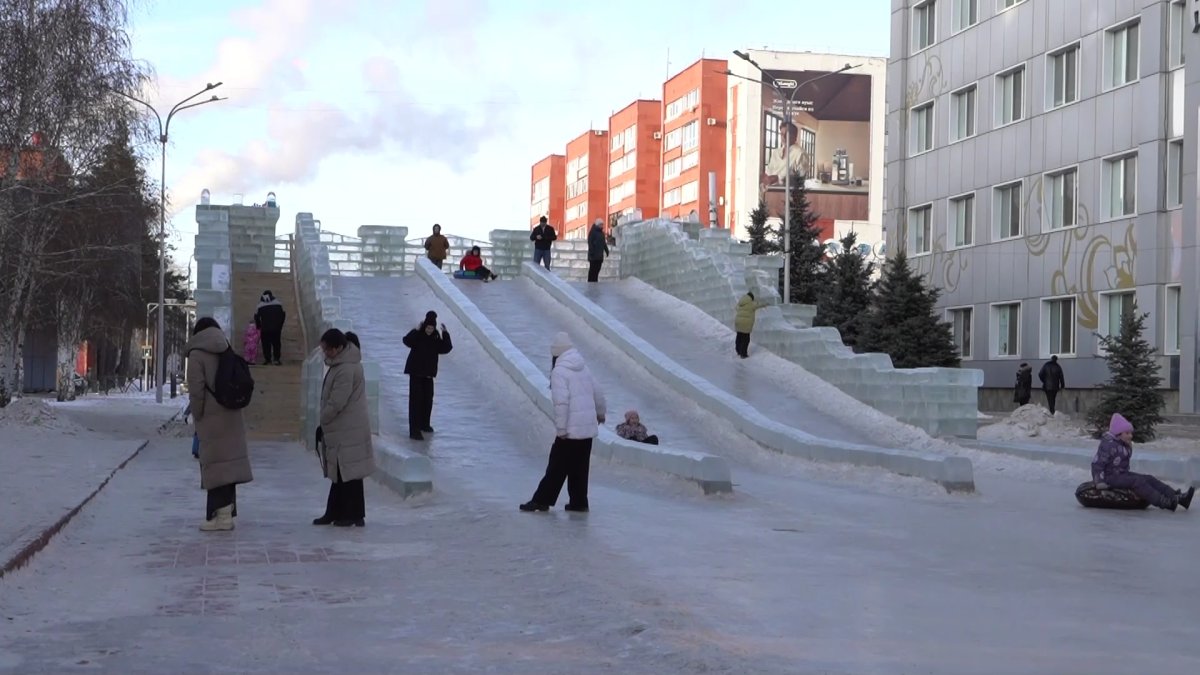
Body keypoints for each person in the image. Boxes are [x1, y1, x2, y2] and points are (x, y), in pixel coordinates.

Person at [521, 333, 606, 513]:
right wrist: (600, 414)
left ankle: (541, 500)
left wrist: (561, 429)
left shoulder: (559, 371)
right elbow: (598, 391)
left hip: (570, 429)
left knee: (557, 466)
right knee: (580, 467)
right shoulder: (583, 367)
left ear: (556, 354)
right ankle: (579, 502)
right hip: (587, 429)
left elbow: (562, 402)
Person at [186, 317, 253, 531]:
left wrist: (197, 416)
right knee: (228, 466)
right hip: (231, 413)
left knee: (215, 466)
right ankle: (226, 513)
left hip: (211, 416)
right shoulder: (225, 348)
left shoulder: (197, 354)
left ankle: (221, 517)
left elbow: (196, 390)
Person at [313, 328, 375, 527]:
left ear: (338, 347)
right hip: (345, 427)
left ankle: (350, 515)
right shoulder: (342, 364)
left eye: (327, 349)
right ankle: (339, 512)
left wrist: (323, 419)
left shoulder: (346, 368)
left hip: (348, 428)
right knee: (343, 473)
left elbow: (337, 402)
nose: (325, 353)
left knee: (347, 473)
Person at [1092, 413, 1194, 512]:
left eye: (1131, 433)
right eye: (1127, 433)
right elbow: (1097, 464)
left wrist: (1128, 446)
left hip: (1121, 474)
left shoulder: (1122, 444)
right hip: (1109, 477)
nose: (1131, 436)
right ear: (1118, 434)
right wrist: (1099, 482)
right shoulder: (1108, 445)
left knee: (1149, 478)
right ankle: (1165, 502)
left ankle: (1177, 497)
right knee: (1137, 481)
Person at [403, 311, 453, 440]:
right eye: (428, 327)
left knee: (427, 401)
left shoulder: (436, 338)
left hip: (428, 375)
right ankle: (414, 431)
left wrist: (445, 333)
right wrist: (416, 329)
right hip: (416, 374)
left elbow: (447, 348)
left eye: (432, 328)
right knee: (415, 402)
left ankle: (424, 424)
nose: (429, 330)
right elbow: (406, 340)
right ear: (424, 326)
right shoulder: (418, 336)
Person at [253, 290, 286, 366]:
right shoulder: (278, 304)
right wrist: (280, 325)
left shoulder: (260, 305)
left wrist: (259, 327)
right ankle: (276, 359)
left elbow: (256, 317)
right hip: (276, 328)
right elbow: (283, 315)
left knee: (266, 344)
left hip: (265, 329)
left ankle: (268, 360)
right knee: (276, 344)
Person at [734, 291, 768, 359]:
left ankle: (738, 350)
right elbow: (758, 305)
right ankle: (743, 354)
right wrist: (766, 304)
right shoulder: (751, 304)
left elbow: (736, 308)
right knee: (746, 338)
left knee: (739, 336)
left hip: (738, 321)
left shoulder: (740, 303)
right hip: (746, 323)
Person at [586, 219, 610, 283]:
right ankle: (590, 282)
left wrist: (606, 250)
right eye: (601, 224)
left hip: (599, 256)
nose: (602, 226)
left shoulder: (602, 233)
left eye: (602, 224)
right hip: (593, 256)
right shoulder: (592, 232)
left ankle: (595, 282)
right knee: (592, 270)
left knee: (597, 270)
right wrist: (591, 251)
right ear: (597, 224)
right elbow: (590, 242)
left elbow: (604, 243)